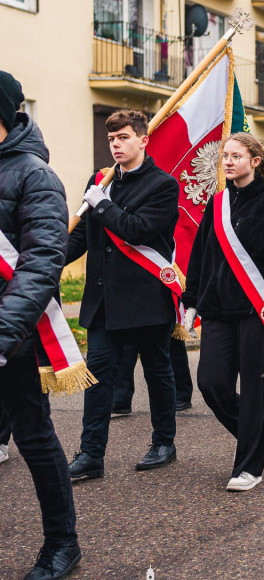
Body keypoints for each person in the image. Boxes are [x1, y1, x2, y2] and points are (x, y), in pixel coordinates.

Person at [182, 133, 264, 491]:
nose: (228, 161)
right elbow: (202, 255)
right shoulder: (217, 202)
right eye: (225, 156)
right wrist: (191, 300)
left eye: (237, 155)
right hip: (219, 309)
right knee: (211, 382)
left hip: (257, 311)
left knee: (256, 390)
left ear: (255, 160)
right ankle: (255, 431)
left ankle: (249, 466)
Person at [64, 109, 179, 480]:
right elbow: (82, 236)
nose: (116, 144)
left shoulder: (163, 185)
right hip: (103, 300)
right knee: (96, 377)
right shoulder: (100, 181)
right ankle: (91, 454)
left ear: (143, 140)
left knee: (157, 371)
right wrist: (51, 259)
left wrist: (102, 203)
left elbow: (138, 230)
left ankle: (164, 441)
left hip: (146, 297)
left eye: (124, 137)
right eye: (112, 138)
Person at [0, 71, 81, 580]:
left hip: (14, 339)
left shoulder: (34, 175)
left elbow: (43, 260)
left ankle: (61, 543)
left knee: (35, 439)